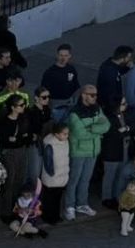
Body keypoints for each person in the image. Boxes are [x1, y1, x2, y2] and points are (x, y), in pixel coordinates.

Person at [62, 86, 106, 220]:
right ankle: (69, 206)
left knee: (85, 179)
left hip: (92, 150)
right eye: (92, 95)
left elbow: (106, 125)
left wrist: (91, 129)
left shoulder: (97, 108)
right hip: (79, 150)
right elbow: (79, 133)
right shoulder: (74, 112)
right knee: (74, 179)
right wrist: (97, 132)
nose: (95, 97)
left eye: (96, 95)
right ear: (83, 95)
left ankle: (81, 203)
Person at [38, 117, 70, 224]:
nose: (67, 136)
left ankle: (56, 216)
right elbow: (48, 162)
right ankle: (48, 217)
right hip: (52, 177)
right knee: (49, 199)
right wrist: (52, 174)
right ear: (56, 134)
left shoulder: (65, 142)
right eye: (64, 134)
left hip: (61, 175)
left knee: (57, 198)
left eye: (67, 134)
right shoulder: (50, 145)